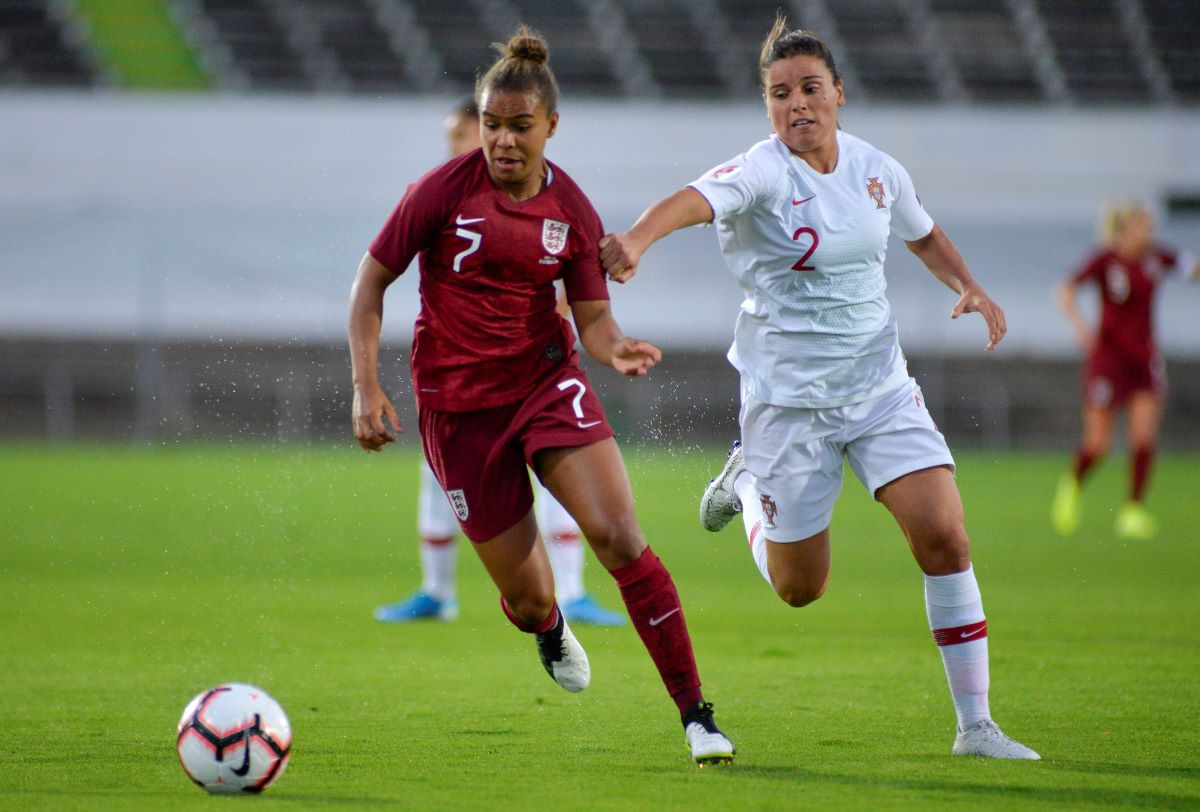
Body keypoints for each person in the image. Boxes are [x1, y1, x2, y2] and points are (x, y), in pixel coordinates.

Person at [600, 16, 1038, 760]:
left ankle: (976, 727)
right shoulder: (763, 170)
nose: (796, 104)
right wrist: (637, 240)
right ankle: (746, 487)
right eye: (779, 94)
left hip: (878, 387)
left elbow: (921, 233)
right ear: (766, 105)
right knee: (801, 589)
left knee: (945, 536)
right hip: (788, 404)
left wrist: (970, 285)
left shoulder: (877, 169)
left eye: (809, 88)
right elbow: (690, 201)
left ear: (838, 91)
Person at [348, 27, 734, 766]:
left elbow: (592, 318)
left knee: (619, 536)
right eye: (492, 125)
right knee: (526, 601)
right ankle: (552, 627)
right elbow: (371, 284)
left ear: (551, 126)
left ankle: (697, 715)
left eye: (519, 127)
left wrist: (612, 346)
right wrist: (366, 388)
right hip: (458, 414)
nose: (501, 141)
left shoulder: (573, 213)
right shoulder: (438, 191)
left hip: (545, 387)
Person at [374, 98, 624, 628]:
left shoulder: (548, 200)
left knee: (557, 476)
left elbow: (561, 284)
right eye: (457, 139)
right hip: (455, 384)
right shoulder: (438, 195)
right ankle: (437, 590)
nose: (458, 148)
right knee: (437, 479)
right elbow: (387, 278)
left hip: (528, 379)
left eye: (461, 135)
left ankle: (572, 590)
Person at [1052, 202, 1198, 540]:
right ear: (1124, 230)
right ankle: (1072, 484)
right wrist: (1081, 329)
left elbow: (1192, 268)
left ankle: (1133, 510)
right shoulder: (1105, 261)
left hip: (1144, 360)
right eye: (1143, 226)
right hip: (1108, 361)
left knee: (1144, 437)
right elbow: (1065, 291)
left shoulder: (1157, 258)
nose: (1149, 232)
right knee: (1099, 443)